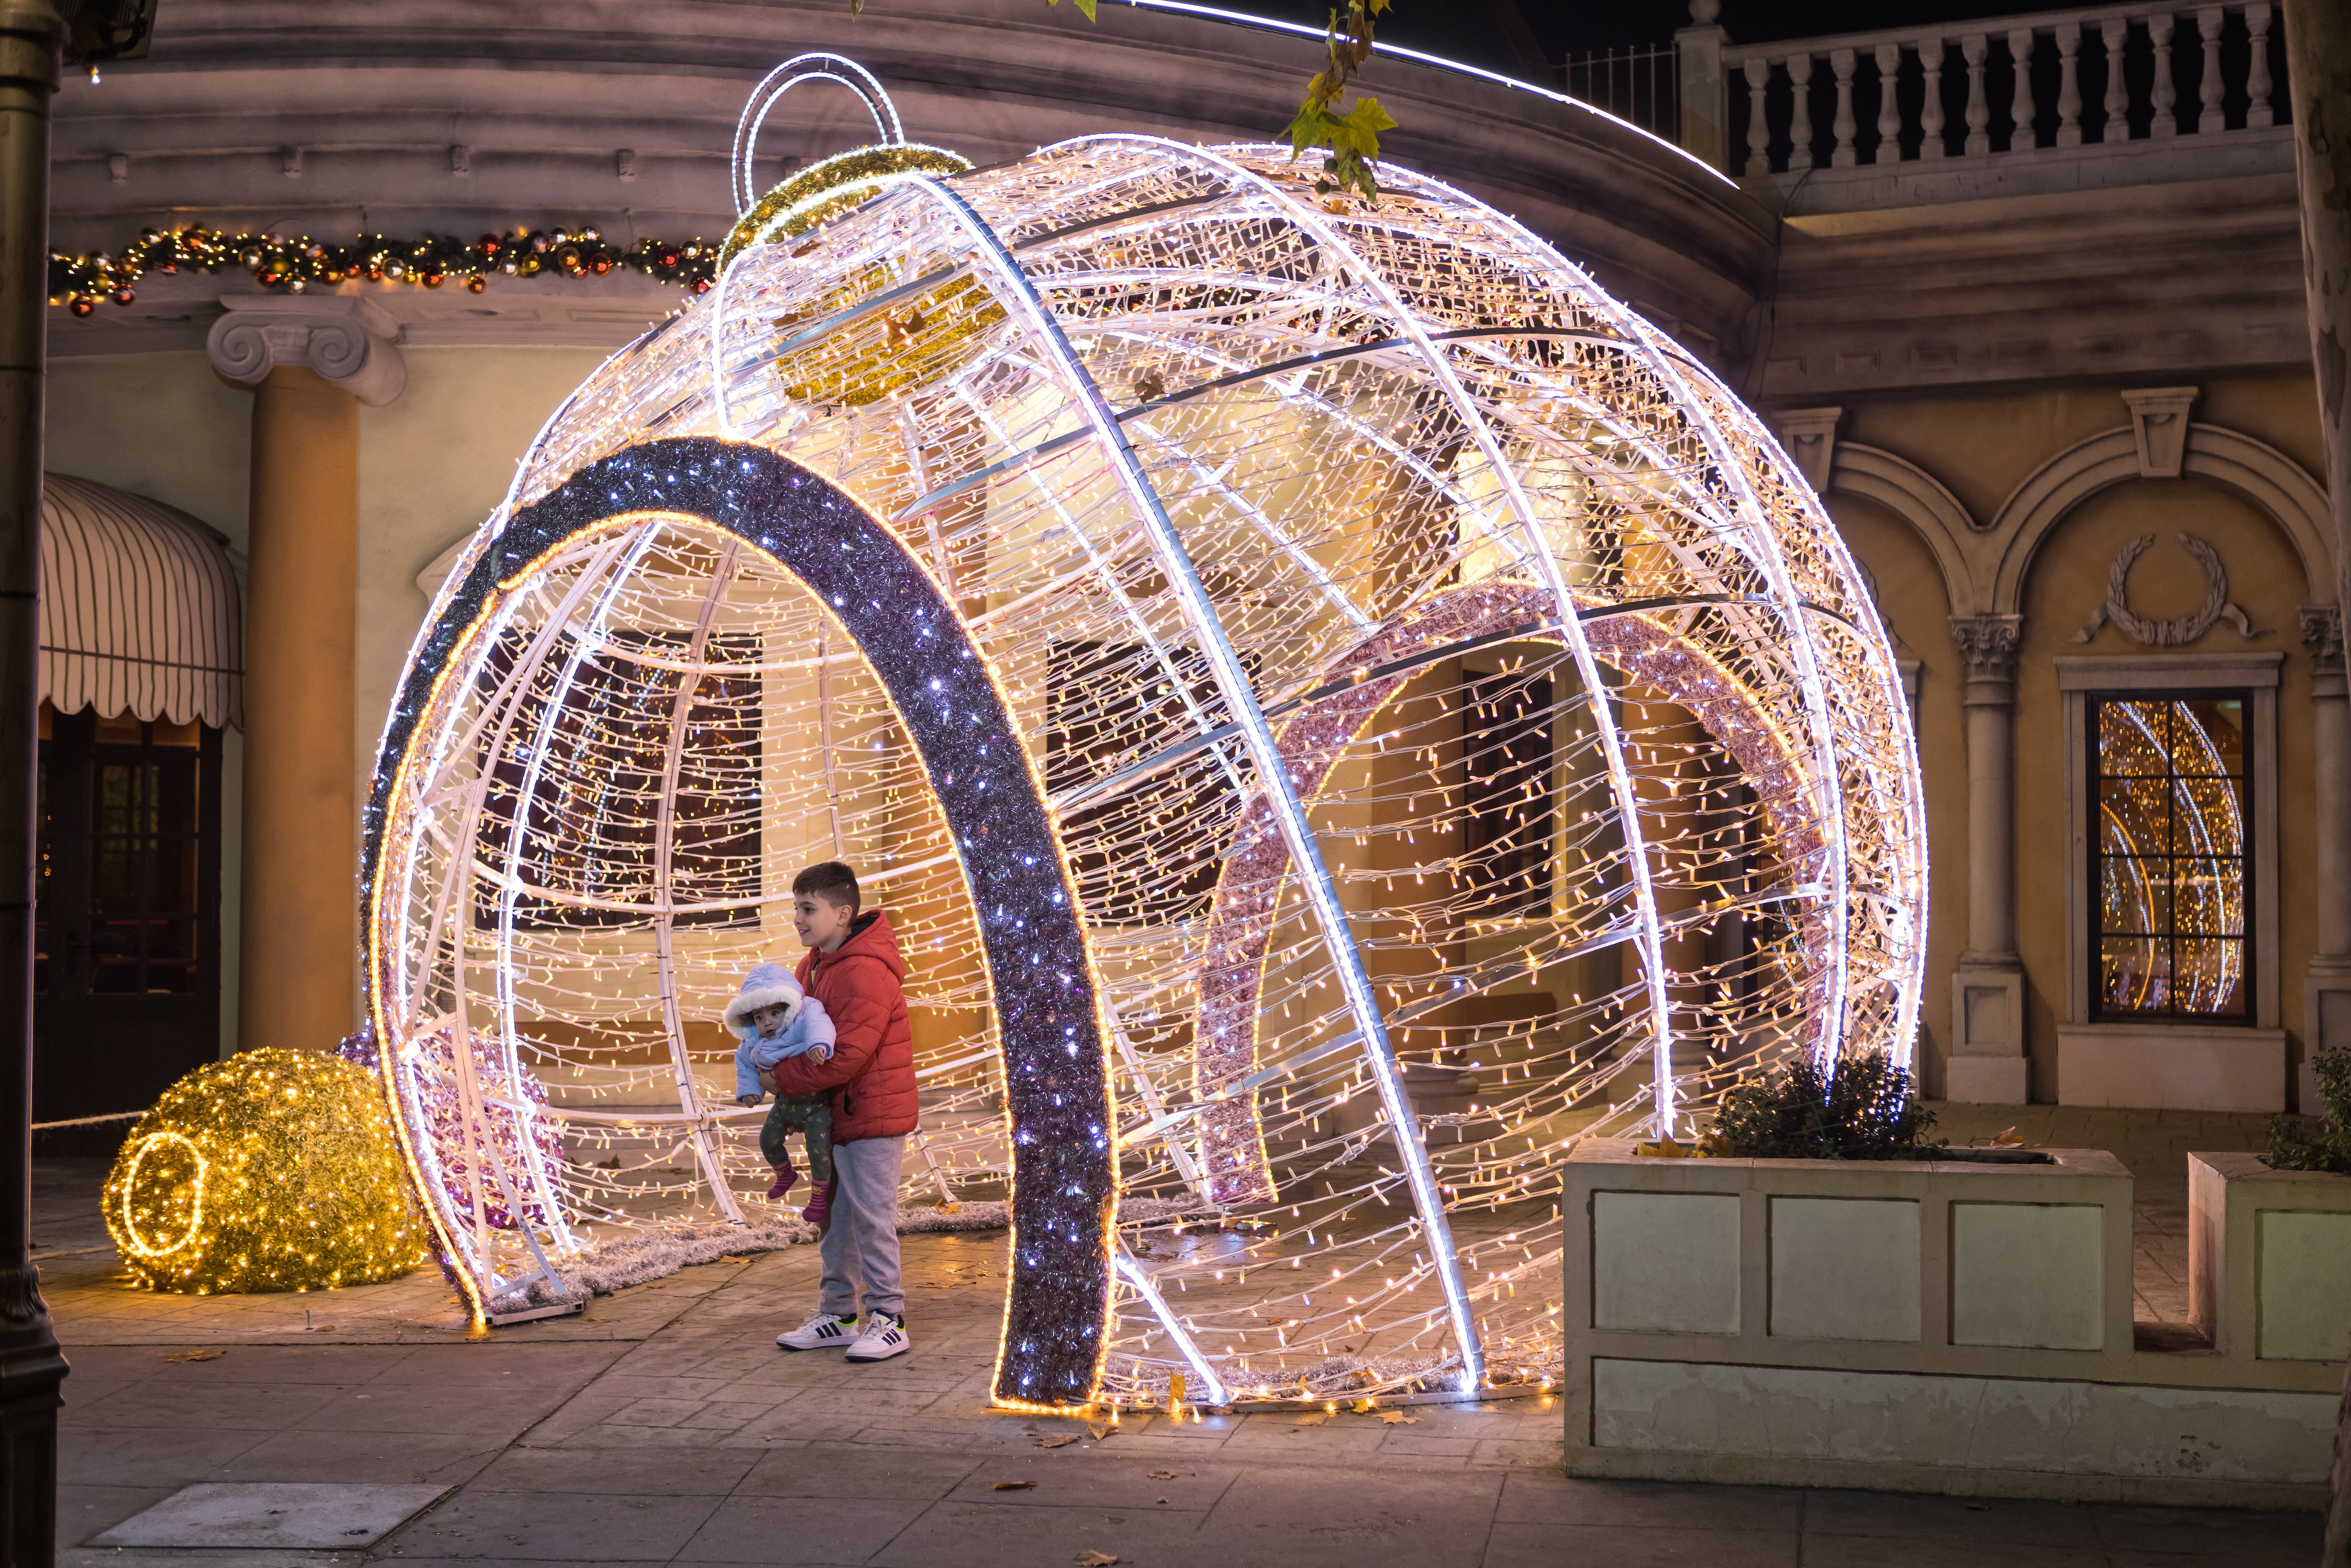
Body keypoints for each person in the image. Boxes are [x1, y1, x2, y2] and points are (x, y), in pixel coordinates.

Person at [768, 860, 917, 1363]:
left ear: (843, 912)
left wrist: (780, 1078)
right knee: (834, 1219)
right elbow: (795, 1034)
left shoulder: (864, 970)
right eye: (796, 907)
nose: (797, 918)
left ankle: (888, 1319)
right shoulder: (812, 965)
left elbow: (847, 1056)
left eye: (808, 908)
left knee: (871, 1219)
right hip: (831, 1116)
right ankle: (838, 1313)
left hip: (870, 1115)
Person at [721, 963, 837, 1222]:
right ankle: (785, 1173)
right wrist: (750, 1091)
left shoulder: (804, 1016)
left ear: (789, 1006)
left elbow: (819, 1024)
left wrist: (819, 1044)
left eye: (774, 1013)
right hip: (785, 1104)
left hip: (816, 1105)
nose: (768, 1022)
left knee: (818, 1150)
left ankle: (819, 1194)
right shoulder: (753, 1040)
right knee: (767, 1140)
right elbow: (745, 1063)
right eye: (760, 1018)